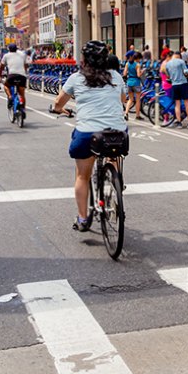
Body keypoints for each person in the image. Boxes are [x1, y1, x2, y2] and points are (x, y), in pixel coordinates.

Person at [52, 40, 128, 232]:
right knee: (113, 151)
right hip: (117, 133)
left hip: (88, 133)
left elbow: (58, 103)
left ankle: (83, 219)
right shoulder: (116, 77)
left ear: (84, 59)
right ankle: (116, 178)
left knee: (82, 177)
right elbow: (123, 100)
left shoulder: (77, 78)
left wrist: (61, 110)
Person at [162, 49, 188, 127]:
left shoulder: (168, 64)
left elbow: (168, 75)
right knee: (187, 103)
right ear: (179, 56)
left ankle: (179, 122)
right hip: (183, 84)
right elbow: (186, 72)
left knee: (177, 104)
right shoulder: (181, 62)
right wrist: (186, 75)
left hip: (174, 85)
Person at [1, 44, 29, 116]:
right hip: (22, 76)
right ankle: (23, 109)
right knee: (22, 94)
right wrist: (24, 72)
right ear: (16, 49)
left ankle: (10, 97)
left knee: (6, 86)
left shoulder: (6, 55)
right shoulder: (22, 55)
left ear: (9, 49)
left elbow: (1, 66)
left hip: (12, 76)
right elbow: (26, 65)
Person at [124, 52, 144, 120]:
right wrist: (142, 72)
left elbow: (124, 73)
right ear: (137, 58)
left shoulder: (127, 64)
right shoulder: (137, 65)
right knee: (138, 100)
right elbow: (138, 75)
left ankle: (126, 113)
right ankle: (137, 115)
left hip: (129, 82)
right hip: (136, 82)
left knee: (130, 99)